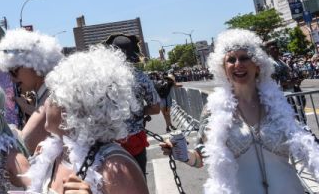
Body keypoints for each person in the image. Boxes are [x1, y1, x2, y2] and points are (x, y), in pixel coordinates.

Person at [161, 28, 319, 194]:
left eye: (244, 58)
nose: (238, 64)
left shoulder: (278, 102)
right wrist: (182, 153)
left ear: (257, 65)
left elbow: (307, 145)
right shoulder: (213, 110)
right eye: (231, 60)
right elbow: (201, 159)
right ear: (223, 68)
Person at [36, 45, 148, 194]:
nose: (46, 103)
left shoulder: (116, 168)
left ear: (72, 105)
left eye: (53, 95)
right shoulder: (56, 152)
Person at [0, 28, 64, 152]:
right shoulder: (50, 92)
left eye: (14, 71)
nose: (12, 79)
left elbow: (25, 146)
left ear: (34, 64)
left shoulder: (52, 98)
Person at [104, 34, 159, 176]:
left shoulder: (100, 79)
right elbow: (155, 108)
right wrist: (139, 111)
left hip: (108, 142)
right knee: (138, 181)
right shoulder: (141, 77)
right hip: (136, 141)